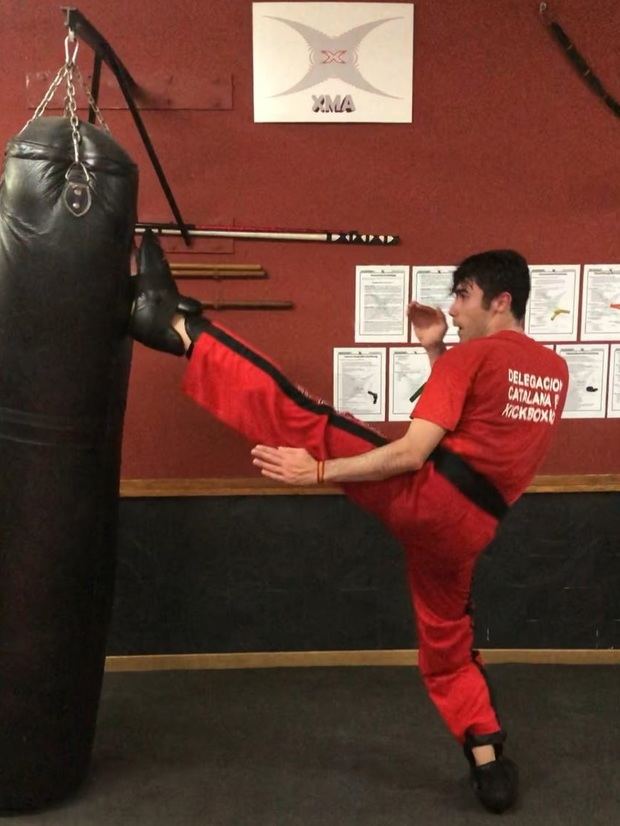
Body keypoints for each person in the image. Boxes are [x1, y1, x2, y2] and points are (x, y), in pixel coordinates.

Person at [130, 231, 568, 814]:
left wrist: (319, 471)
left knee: (305, 417)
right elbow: (480, 421)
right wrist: (436, 351)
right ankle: (488, 760)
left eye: (462, 295)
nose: (454, 309)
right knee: (448, 641)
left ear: (501, 300)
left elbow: (412, 454)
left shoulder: (474, 355)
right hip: (471, 528)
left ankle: (175, 326)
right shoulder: (555, 371)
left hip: (425, 494)